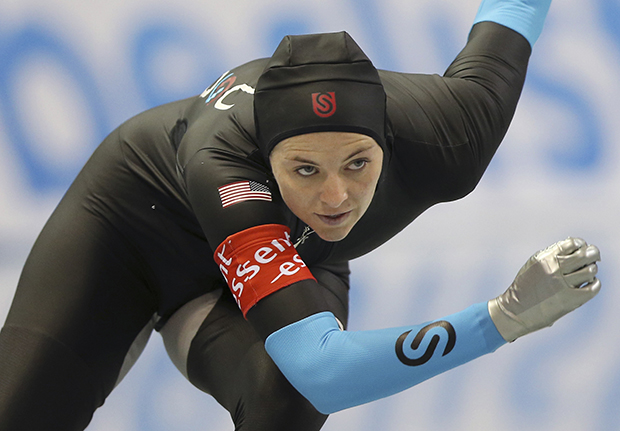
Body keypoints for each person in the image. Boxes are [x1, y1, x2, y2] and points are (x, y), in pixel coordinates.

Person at [0, 0, 602, 429]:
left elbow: (516, 8)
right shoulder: (225, 166)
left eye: (358, 164)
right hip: (131, 232)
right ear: (266, 158)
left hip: (287, 251)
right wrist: (500, 320)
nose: (336, 198)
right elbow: (327, 370)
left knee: (285, 408)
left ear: (389, 145)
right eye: (306, 170)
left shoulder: (452, 132)